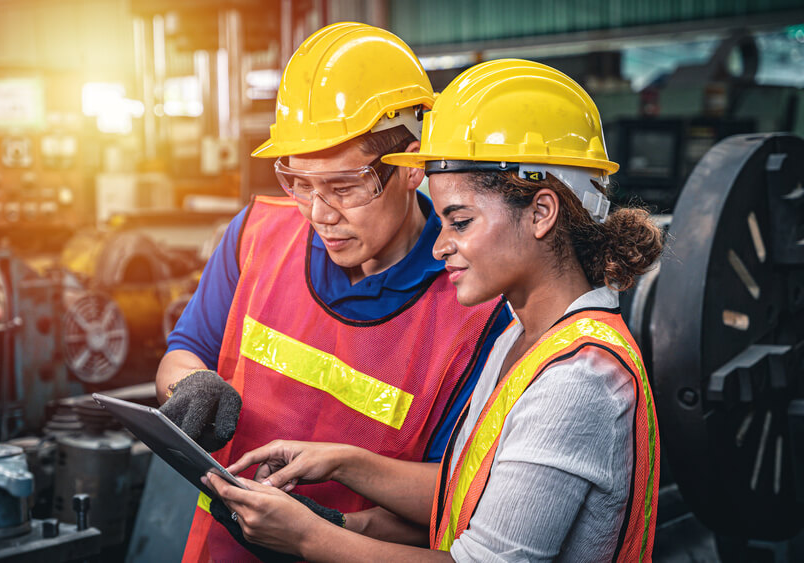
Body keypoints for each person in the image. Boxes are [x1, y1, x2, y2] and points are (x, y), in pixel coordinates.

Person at [205, 59, 663, 562]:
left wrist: (310, 539)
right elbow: (461, 499)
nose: (441, 245)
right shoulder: (521, 340)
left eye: (460, 222)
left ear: (541, 213)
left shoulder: (580, 379)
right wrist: (343, 475)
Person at [156, 23, 508, 561]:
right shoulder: (256, 236)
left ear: (412, 166)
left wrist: (333, 528)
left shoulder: (477, 305)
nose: (320, 215)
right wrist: (192, 386)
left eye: (344, 187)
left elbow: (464, 495)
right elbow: (181, 355)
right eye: (299, 183)